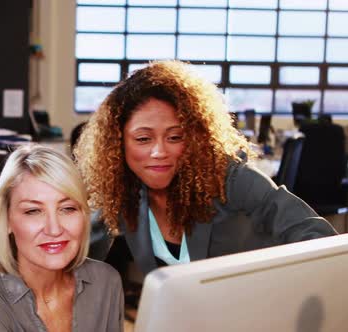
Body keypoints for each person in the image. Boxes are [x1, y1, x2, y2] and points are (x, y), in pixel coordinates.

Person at [74, 60, 338, 276]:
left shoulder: (229, 177)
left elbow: (317, 236)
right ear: (118, 144)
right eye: (143, 139)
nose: (159, 152)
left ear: (194, 137)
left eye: (175, 137)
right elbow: (78, 252)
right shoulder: (123, 191)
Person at [0, 145, 124, 332]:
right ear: (6, 220)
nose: (54, 229)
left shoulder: (105, 281)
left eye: (67, 208)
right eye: (33, 211)